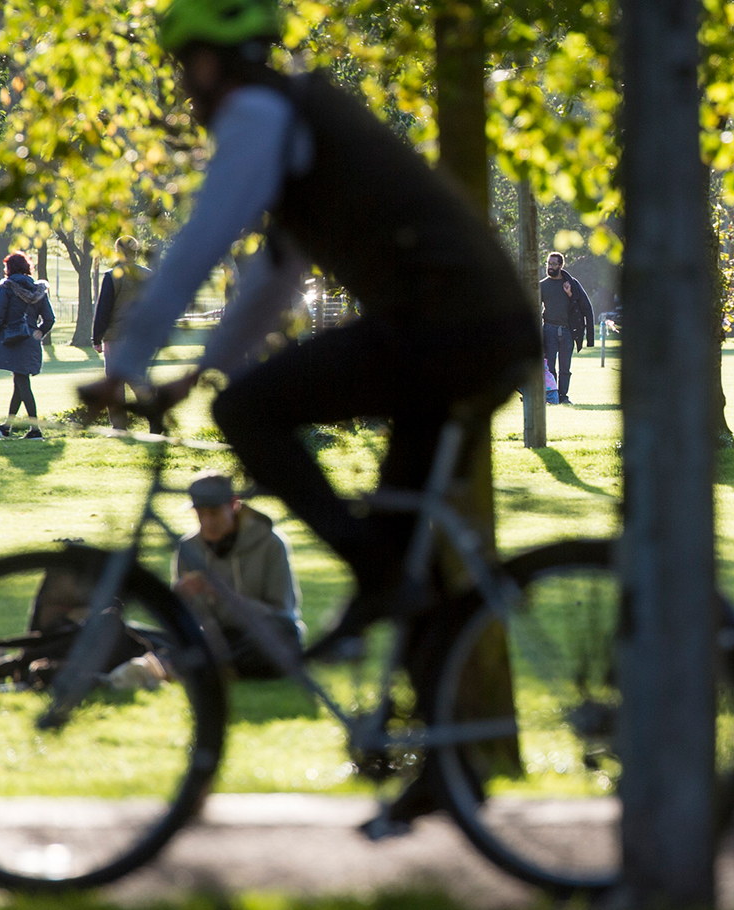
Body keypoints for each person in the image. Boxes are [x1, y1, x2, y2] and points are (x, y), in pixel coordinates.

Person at [80, 0, 538, 665]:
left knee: (248, 409)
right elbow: (276, 276)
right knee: (403, 559)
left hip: (443, 330)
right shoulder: (298, 118)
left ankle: (376, 573)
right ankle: (436, 754)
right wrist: (199, 368)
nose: (182, 87)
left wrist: (125, 365)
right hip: (472, 333)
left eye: (183, 68)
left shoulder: (257, 115)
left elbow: (202, 241)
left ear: (209, 61)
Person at [173, 471, 305, 679]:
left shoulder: (270, 544)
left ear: (234, 504)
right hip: (214, 637)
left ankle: (207, 668)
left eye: (214, 513)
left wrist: (222, 593)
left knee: (282, 635)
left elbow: (283, 614)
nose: (208, 522)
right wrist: (179, 595)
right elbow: (189, 619)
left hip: (259, 632)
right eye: (201, 513)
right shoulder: (188, 547)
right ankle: (220, 667)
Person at [0, 251, 56, 439]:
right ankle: (7, 426)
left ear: (9, 268)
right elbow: (49, 319)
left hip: (14, 340)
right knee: (19, 383)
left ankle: (35, 429)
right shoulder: (38, 290)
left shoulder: (6, 288)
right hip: (30, 342)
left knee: (22, 383)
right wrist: (40, 331)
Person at [537, 251, 595, 405]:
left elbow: (586, 308)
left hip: (568, 331)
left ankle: (563, 396)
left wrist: (570, 295)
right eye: (549, 263)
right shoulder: (542, 286)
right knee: (549, 368)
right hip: (549, 329)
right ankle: (552, 396)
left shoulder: (572, 284)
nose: (551, 267)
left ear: (561, 265)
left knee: (565, 367)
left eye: (554, 264)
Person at [91, 235, 151, 355]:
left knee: (115, 372)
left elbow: (104, 308)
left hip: (116, 336)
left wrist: (97, 337)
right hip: (141, 336)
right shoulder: (148, 275)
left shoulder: (112, 276)